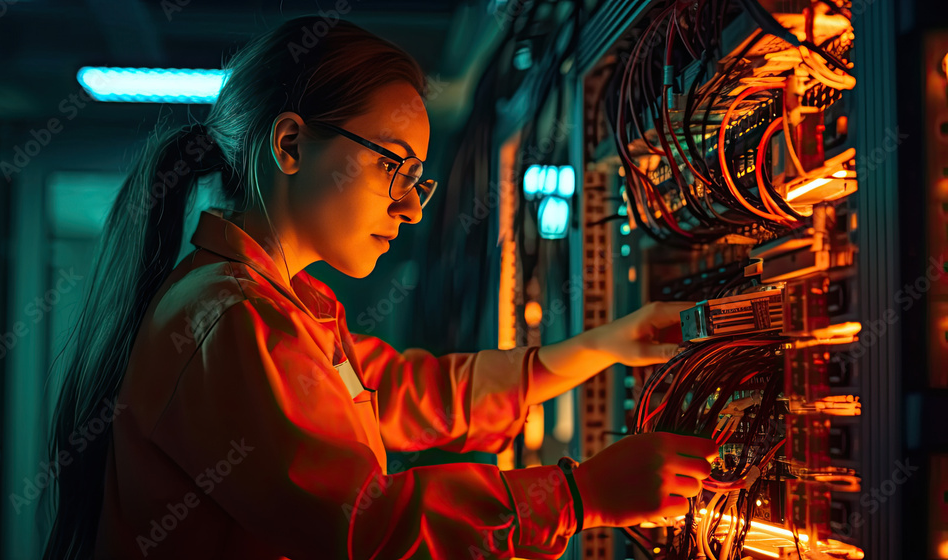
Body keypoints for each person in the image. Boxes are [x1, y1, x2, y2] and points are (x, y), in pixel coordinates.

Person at [42, 15, 717, 560]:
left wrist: (603, 345)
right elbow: (364, 532)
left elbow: (411, 394)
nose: (413, 207)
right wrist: (580, 496)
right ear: (290, 146)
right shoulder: (231, 321)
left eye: (417, 178)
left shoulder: (278, 308)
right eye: (395, 166)